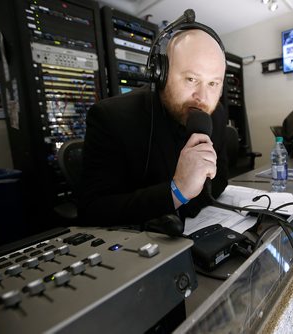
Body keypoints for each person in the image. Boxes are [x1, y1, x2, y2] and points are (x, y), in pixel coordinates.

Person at [78, 28, 228, 230]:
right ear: (161, 74)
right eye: (191, 79)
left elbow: (220, 181)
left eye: (213, 83)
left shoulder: (215, 114)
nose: (202, 97)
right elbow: (92, 211)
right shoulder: (110, 117)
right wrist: (177, 192)